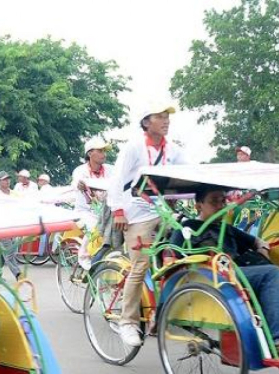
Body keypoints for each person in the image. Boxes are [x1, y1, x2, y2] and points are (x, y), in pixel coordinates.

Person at [169, 188, 279, 356]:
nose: (221, 205)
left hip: (241, 273)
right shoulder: (186, 229)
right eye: (214, 201)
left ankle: (273, 335)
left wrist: (263, 249)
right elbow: (174, 258)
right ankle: (275, 340)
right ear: (199, 205)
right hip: (214, 277)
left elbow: (258, 241)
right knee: (273, 273)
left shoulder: (227, 228)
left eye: (223, 201)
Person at [108, 103, 191, 347]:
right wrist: (119, 211)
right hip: (136, 213)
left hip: (163, 211)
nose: (166, 121)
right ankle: (127, 322)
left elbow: (192, 171)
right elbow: (117, 179)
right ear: (146, 122)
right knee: (140, 264)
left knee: (188, 251)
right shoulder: (133, 147)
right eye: (160, 117)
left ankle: (165, 310)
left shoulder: (173, 149)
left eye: (167, 117)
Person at [71, 138, 114, 270]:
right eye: (100, 151)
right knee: (94, 226)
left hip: (105, 211)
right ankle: (84, 256)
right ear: (90, 154)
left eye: (104, 151)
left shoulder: (110, 170)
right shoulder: (80, 170)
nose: (104, 154)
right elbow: (76, 184)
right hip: (85, 212)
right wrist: (80, 185)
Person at [0, 171, 22, 280]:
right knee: (9, 253)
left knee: (6, 253)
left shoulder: (14, 194)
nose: (7, 181)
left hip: (13, 226)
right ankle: (18, 274)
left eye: (8, 179)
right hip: (2, 227)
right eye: (4, 179)